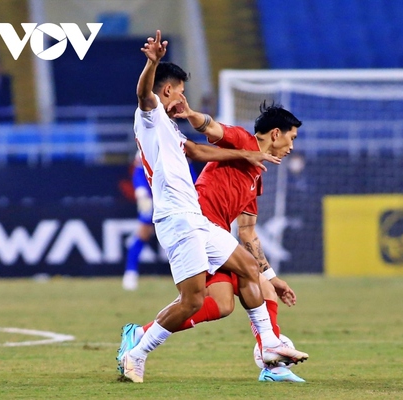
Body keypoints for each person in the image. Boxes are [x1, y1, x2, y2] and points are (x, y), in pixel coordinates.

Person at [117, 30, 307, 384]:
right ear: (168, 90)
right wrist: (152, 63)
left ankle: (268, 346)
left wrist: (246, 156)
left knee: (249, 269)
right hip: (176, 218)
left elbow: (200, 151)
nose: (183, 97)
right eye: (181, 91)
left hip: (198, 220)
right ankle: (137, 351)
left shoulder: (172, 132)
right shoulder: (150, 115)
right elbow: (145, 94)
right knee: (191, 301)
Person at [122, 152, 198, 291]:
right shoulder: (146, 146)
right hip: (152, 198)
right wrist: (141, 191)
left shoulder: (178, 145)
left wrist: (195, 191)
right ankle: (130, 272)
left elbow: (189, 172)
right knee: (143, 232)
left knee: (188, 233)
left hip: (176, 198)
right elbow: (139, 172)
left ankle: (192, 273)